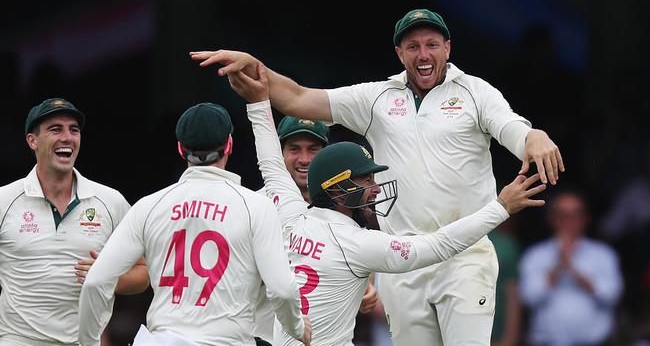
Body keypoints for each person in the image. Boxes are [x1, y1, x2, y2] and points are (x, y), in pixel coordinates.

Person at [190, 8, 564, 344]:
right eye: (412, 46)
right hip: (400, 258)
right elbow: (300, 98)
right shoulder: (376, 98)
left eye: (432, 44)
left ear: (448, 48)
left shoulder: (475, 92)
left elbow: (510, 126)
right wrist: (257, 68)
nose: (423, 54)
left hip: (465, 257)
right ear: (399, 54)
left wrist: (535, 136)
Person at [78, 102, 311, 346]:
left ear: (180, 149)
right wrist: (296, 327)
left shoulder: (149, 206)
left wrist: (89, 342)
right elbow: (282, 290)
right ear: (229, 145)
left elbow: (95, 281)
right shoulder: (257, 206)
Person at [0, 97, 149, 345]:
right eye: (55, 129)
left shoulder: (110, 202)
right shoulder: (5, 200)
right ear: (32, 140)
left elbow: (144, 273)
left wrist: (107, 277)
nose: (67, 137)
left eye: (74, 130)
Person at [253, 114, 380, 342]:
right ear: (280, 153)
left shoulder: (345, 204)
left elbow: (360, 248)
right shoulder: (256, 205)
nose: (304, 159)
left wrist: (366, 286)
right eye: (294, 149)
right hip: (263, 337)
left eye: (313, 149)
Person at [519, 189, 623, 345]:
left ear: (585, 219)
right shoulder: (536, 255)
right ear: (552, 219)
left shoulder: (603, 254)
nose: (568, 221)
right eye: (562, 215)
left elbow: (612, 295)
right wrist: (558, 266)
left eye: (575, 215)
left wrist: (574, 270)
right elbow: (529, 297)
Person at [488, 221, 522, 346]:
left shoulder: (504, 245)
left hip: (495, 336)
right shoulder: (446, 240)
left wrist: (510, 339)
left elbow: (513, 296)